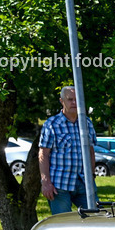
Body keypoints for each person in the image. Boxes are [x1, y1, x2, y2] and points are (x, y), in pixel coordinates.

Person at [40, 86, 98, 214]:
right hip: (59, 184)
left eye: (77, 99)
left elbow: (90, 151)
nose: (74, 103)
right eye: (70, 99)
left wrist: (92, 174)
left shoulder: (87, 123)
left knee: (96, 217)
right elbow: (43, 154)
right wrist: (46, 182)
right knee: (63, 221)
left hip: (84, 183)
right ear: (62, 101)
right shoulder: (51, 124)